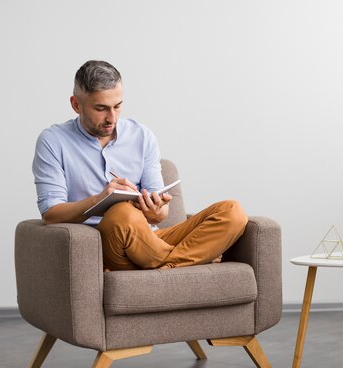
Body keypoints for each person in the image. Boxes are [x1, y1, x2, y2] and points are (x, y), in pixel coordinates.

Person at [32, 60, 247, 271]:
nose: (112, 117)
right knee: (123, 212)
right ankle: (196, 257)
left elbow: (160, 214)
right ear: (76, 104)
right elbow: (51, 214)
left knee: (232, 211)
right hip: (105, 244)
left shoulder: (142, 136)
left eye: (118, 106)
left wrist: (155, 211)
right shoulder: (53, 141)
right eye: (101, 108)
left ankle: (168, 264)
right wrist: (102, 199)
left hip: (150, 239)